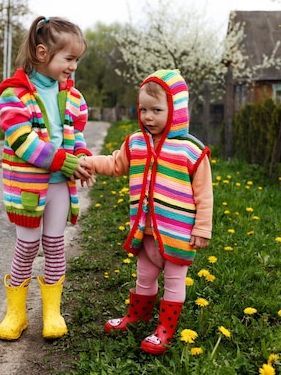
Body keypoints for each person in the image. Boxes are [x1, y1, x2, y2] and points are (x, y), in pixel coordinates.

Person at [82, 69, 213, 355]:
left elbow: (204, 193)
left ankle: (165, 328)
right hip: (146, 232)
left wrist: (202, 228)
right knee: (144, 275)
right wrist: (90, 162)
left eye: (156, 110)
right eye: (143, 109)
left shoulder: (191, 151)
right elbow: (115, 164)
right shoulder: (136, 143)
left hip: (177, 234)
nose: (148, 117)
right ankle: (137, 315)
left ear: (176, 110)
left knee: (175, 281)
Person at [0, 16, 94, 341]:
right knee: (26, 246)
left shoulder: (74, 98)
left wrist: (83, 158)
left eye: (76, 60)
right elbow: (22, 141)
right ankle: (16, 313)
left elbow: (74, 136)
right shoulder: (13, 94)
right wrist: (65, 162)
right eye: (68, 59)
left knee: (54, 245)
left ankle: (52, 312)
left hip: (58, 188)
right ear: (41, 53)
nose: (73, 67)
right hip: (27, 187)